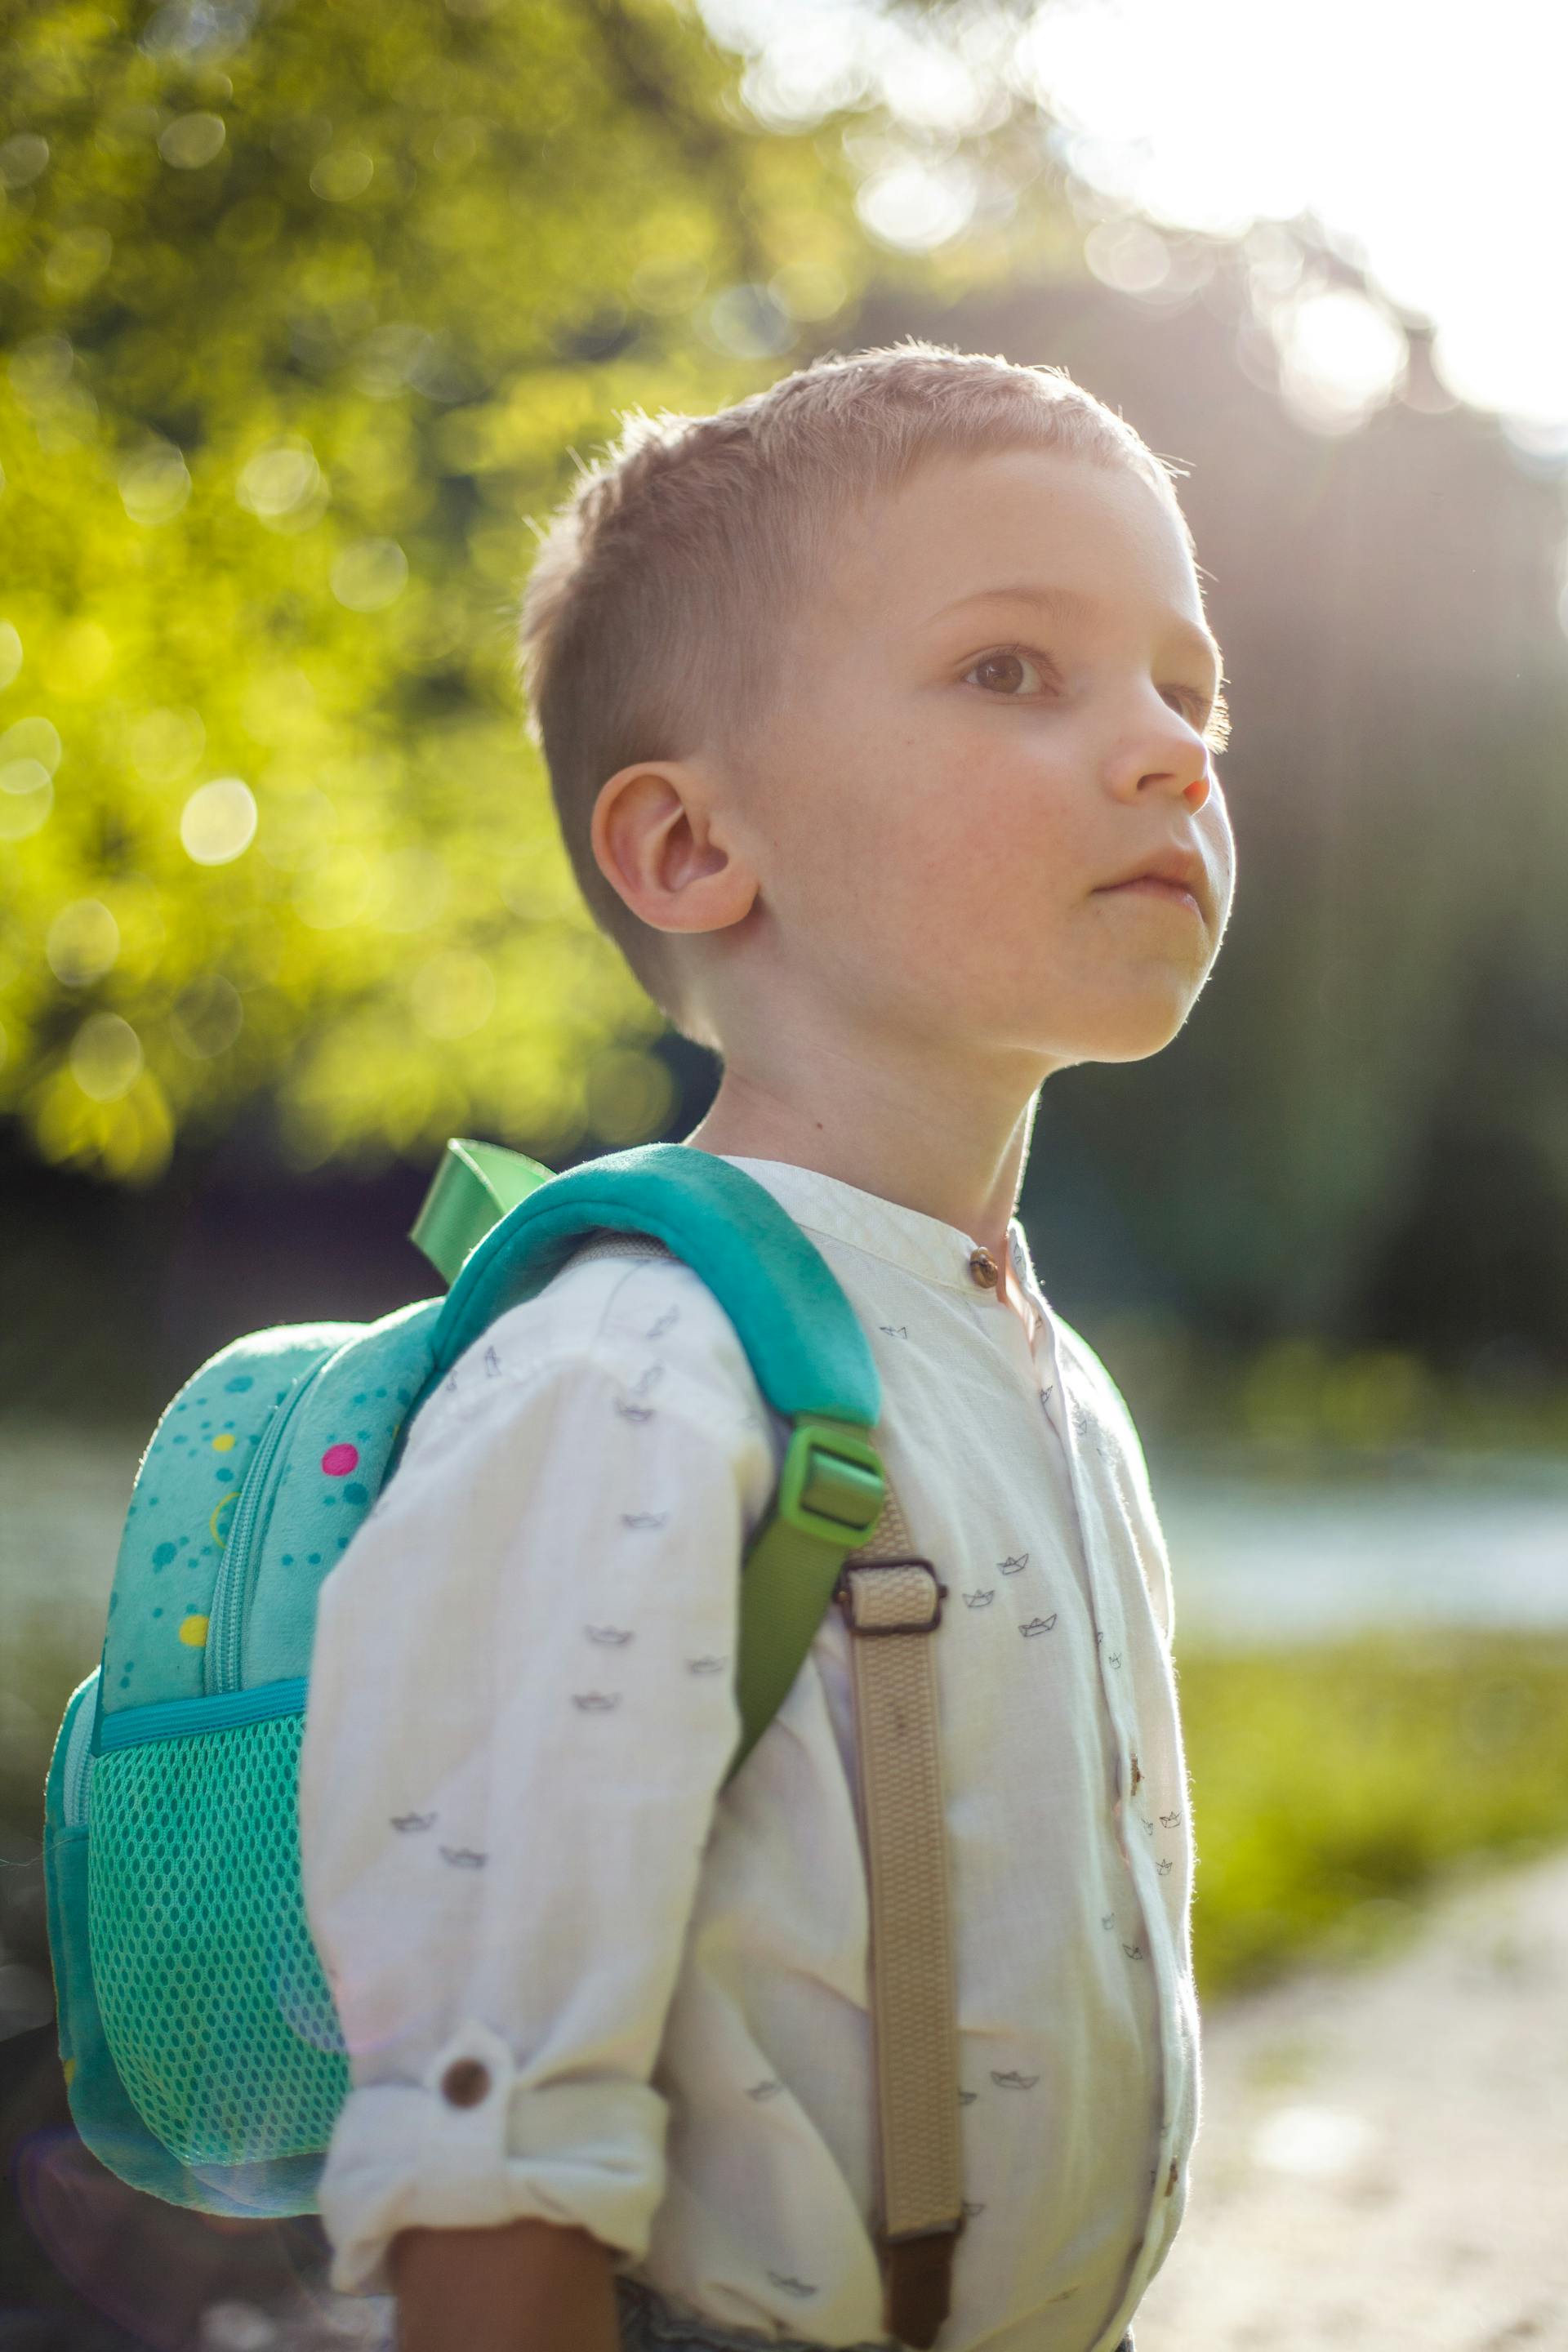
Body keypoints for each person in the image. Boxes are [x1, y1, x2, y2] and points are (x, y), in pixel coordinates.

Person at [297, 339, 1236, 2352]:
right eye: (1015, 672)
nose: (1173, 749)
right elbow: (491, 2165)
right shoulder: (630, 1375)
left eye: (1190, 683)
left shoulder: (1047, 1377)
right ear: (692, 852)